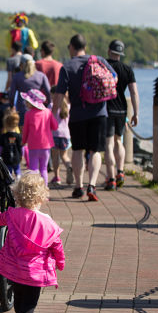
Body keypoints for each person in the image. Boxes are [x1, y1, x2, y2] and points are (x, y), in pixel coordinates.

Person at [0, 171, 65, 313]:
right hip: (35, 273)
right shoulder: (48, 222)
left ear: (18, 194)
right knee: (30, 302)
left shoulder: (13, 214)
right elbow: (57, 245)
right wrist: (60, 262)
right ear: (42, 197)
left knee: (20, 298)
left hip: (14, 269)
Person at [52, 34, 116, 202]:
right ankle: (92, 185)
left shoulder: (67, 66)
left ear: (72, 47)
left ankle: (78, 186)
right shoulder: (99, 60)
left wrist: (53, 115)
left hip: (78, 115)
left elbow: (59, 94)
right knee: (95, 151)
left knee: (78, 150)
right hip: (100, 113)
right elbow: (114, 78)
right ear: (84, 47)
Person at [104, 40, 139, 191]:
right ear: (121, 53)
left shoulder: (103, 67)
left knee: (109, 144)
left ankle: (111, 179)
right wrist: (136, 113)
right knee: (119, 141)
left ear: (109, 51)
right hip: (122, 110)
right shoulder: (127, 69)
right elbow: (134, 92)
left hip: (106, 109)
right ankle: (120, 172)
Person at [21, 89, 58, 184]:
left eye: (27, 101)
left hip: (33, 146)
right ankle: (44, 193)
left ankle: (34, 192)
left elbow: (25, 131)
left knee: (33, 169)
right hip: (46, 146)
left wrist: (23, 141)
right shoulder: (47, 112)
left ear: (31, 103)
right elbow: (55, 126)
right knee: (44, 169)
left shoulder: (28, 114)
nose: (25, 103)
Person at [9, 53, 51, 125]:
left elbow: (11, 94)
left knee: (24, 132)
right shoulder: (41, 76)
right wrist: (49, 105)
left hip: (22, 109)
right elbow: (48, 92)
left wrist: (11, 106)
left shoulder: (17, 76)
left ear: (21, 64)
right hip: (39, 109)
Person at [50, 88, 73, 186]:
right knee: (64, 156)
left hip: (54, 135)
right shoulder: (68, 106)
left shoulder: (51, 106)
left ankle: (57, 177)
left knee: (55, 156)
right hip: (66, 135)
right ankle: (68, 166)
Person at [0, 110, 23, 178]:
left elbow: (0, 148)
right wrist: (22, 155)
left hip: (6, 158)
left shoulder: (3, 136)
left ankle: (10, 182)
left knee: (8, 171)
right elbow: (21, 147)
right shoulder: (19, 136)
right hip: (17, 157)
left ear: (5, 124)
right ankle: (18, 178)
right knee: (17, 170)